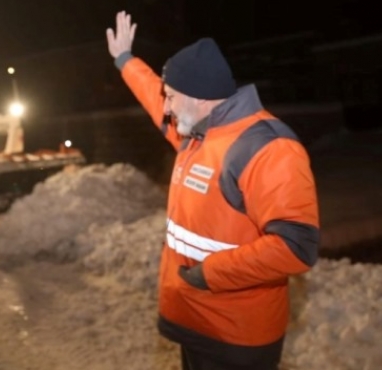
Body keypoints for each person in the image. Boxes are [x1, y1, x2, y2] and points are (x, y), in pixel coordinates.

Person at [106, 10, 320, 370]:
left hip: (235, 334)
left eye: (172, 96)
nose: (167, 107)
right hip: (198, 318)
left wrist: (208, 274)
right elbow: (152, 98)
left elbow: (295, 247)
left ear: (200, 97)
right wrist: (125, 60)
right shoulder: (197, 132)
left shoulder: (266, 148)